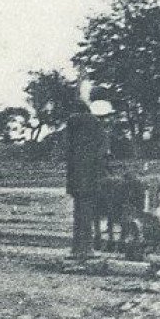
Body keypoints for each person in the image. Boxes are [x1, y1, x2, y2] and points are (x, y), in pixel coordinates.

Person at [64, 85, 111, 260]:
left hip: (76, 178)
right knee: (88, 214)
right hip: (91, 177)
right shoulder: (96, 125)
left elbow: (68, 150)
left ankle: (77, 249)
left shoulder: (72, 124)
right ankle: (87, 249)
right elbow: (103, 151)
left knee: (78, 214)